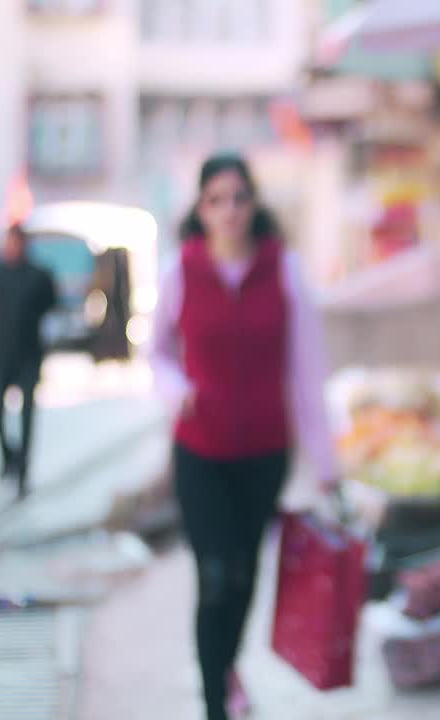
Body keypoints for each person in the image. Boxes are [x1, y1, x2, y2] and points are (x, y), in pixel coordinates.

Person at [150, 153, 339, 720]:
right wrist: (174, 387)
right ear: (200, 209)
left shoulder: (284, 272)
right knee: (213, 576)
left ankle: (227, 666)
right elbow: (155, 352)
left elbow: (307, 370)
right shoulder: (178, 271)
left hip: (263, 453)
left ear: (254, 205)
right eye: (216, 200)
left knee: (244, 573)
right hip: (199, 452)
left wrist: (325, 461)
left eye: (239, 198)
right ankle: (214, 703)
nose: (229, 210)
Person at [0, 223, 58, 498]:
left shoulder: (38, 275)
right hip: (1, 355)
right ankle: (7, 456)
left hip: (29, 355)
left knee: (26, 416)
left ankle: (23, 472)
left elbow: (51, 305)